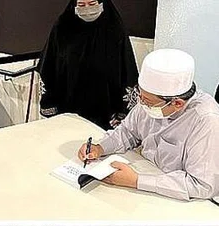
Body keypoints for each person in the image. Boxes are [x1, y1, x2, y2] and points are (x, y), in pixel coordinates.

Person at [78, 48, 219, 201]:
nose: (141, 104)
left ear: (177, 103)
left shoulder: (206, 120)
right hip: (146, 175)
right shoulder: (151, 100)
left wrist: (136, 181)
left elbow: (202, 186)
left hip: (176, 199)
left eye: (147, 101)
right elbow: (128, 131)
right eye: (140, 96)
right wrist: (100, 148)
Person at [39, 0, 139, 128]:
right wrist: (50, 105)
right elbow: (48, 67)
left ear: (102, 1)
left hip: (105, 111)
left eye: (92, 3)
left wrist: (122, 111)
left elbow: (127, 70)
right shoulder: (62, 28)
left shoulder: (114, 29)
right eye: (81, 4)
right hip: (68, 110)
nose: (87, 9)